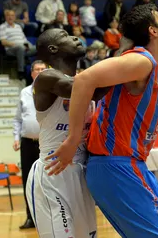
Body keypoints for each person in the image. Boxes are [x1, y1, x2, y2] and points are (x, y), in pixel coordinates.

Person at [48, 4, 158, 238]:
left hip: (132, 164)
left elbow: (126, 41)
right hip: (115, 165)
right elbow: (85, 79)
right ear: (153, 30)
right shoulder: (141, 62)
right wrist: (73, 138)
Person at [24, 30, 100, 238]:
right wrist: (127, 66)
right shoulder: (47, 78)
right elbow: (87, 89)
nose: (76, 37)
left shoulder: (85, 78)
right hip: (53, 172)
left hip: (81, 172)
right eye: (66, 35)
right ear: (53, 48)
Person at [12, 61, 47, 230]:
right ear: (31, 73)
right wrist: (16, 138)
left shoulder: (53, 91)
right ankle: (30, 217)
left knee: (47, 180)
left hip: (47, 142)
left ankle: (47, 217)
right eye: (37, 69)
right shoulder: (24, 92)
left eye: (43, 69)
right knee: (28, 180)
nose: (40, 72)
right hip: (27, 142)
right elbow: (18, 118)